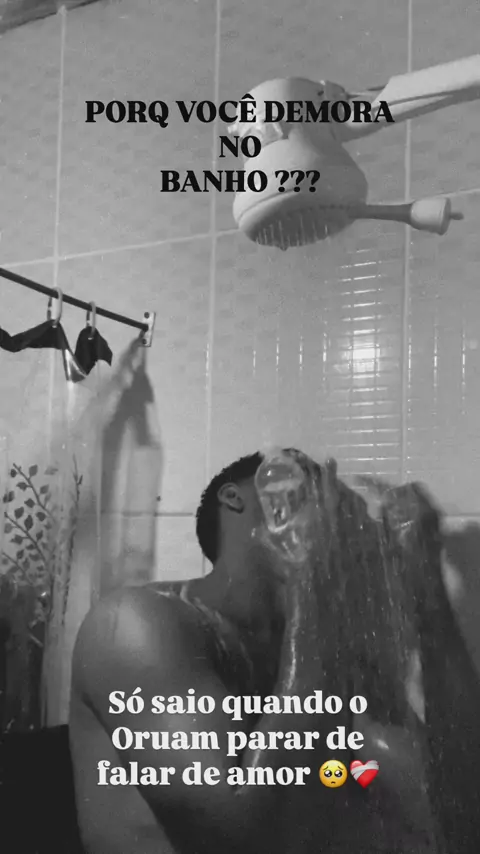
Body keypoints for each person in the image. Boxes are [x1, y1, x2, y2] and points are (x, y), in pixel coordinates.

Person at [69, 449, 480, 854]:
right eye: (302, 482)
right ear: (235, 499)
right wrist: (315, 576)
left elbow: (455, 813)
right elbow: (243, 840)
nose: (328, 504)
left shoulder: (321, 652)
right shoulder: (135, 623)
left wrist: (426, 583)